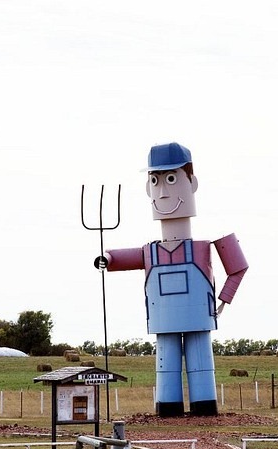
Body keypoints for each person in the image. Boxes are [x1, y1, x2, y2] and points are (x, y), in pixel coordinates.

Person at [97, 142, 248, 417]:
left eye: (171, 179)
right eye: (155, 181)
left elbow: (238, 267)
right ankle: (169, 406)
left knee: (200, 363)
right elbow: (119, 258)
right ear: (147, 189)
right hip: (164, 319)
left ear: (192, 184)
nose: (163, 192)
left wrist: (224, 299)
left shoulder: (203, 247)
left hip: (198, 318)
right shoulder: (150, 251)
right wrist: (106, 258)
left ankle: (204, 406)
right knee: (166, 366)